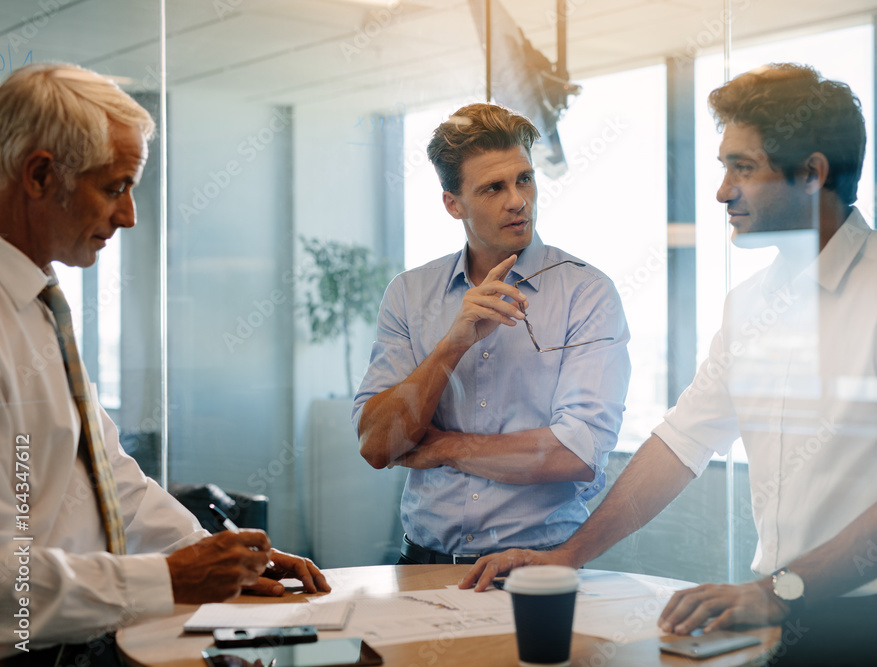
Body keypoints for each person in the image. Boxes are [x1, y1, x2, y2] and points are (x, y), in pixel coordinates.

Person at [462, 64, 877, 666]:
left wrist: (778, 591)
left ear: (812, 173)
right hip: (776, 620)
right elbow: (683, 441)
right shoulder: (752, 304)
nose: (721, 191)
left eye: (742, 167)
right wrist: (569, 555)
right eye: (723, 168)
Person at [0, 63, 329, 664]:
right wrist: (168, 580)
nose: (127, 216)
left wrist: (217, 556)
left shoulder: (38, 303)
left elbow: (106, 478)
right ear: (41, 175)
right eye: (115, 187)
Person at [353, 103, 630, 565]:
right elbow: (378, 445)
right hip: (423, 565)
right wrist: (453, 343)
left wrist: (442, 446)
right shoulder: (409, 293)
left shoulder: (587, 293)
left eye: (524, 179)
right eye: (493, 188)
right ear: (452, 203)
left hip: (537, 569)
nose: (517, 200)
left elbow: (575, 454)